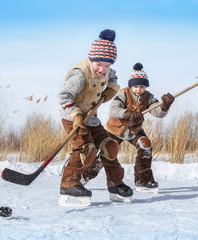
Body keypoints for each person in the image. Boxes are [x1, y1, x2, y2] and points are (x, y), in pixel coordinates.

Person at [58, 29, 133, 206]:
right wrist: (75, 115)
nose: (102, 69)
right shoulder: (80, 74)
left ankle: (115, 184)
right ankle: (68, 184)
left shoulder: (107, 70)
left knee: (110, 146)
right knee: (85, 148)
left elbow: (113, 76)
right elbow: (64, 97)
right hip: (72, 117)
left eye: (107, 65)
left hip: (91, 118)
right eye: (99, 64)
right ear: (91, 59)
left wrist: (112, 88)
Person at [83, 62, 175, 193]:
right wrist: (128, 113)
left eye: (142, 86)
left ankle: (143, 181)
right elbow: (113, 109)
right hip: (114, 130)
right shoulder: (123, 94)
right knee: (103, 153)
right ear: (131, 85)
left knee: (145, 145)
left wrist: (165, 106)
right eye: (136, 86)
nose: (138, 89)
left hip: (134, 131)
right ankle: (83, 177)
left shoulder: (149, 98)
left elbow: (157, 113)